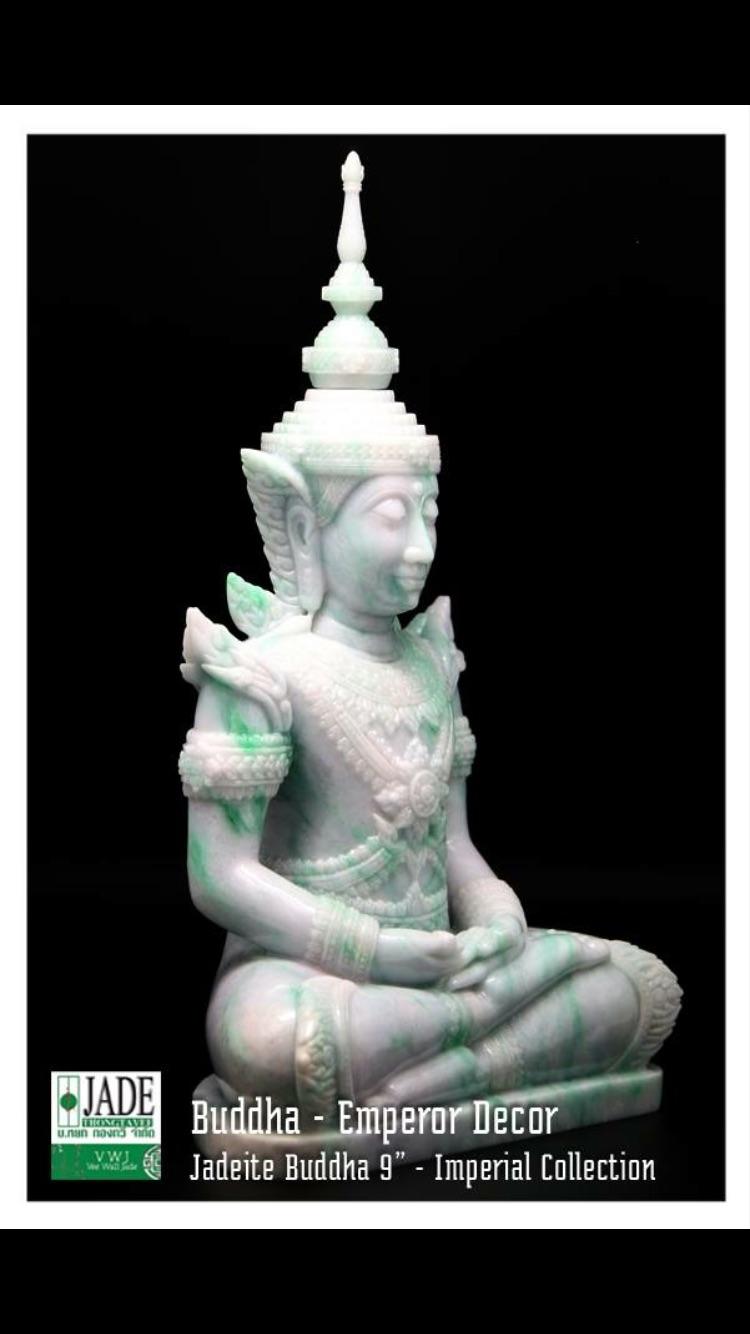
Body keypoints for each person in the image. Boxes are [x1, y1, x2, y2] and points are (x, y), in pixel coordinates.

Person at [179, 151, 681, 1132]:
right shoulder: (261, 674)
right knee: (272, 1045)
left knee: (637, 983)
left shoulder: (427, 663)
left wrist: (494, 917)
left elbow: (455, 849)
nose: (420, 546)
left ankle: (425, 1076)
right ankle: (472, 1054)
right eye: (390, 516)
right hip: (307, 973)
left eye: (430, 514)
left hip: (439, 968)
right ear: (307, 523)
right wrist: (376, 953)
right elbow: (218, 876)